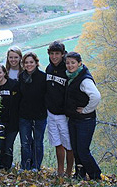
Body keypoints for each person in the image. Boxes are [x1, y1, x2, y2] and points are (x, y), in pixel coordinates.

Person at [65, 52, 101, 180]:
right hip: (74, 119)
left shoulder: (84, 79)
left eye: (73, 63)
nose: (70, 65)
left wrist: (86, 110)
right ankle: (80, 174)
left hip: (85, 121)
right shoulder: (72, 76)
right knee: (76, 150)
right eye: (68, 63)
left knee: (83, 151)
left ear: (79, 63)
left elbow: (96, 96)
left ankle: (96, 176)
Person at [45, 41, 73, 177]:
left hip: (64, 114)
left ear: (63, 54)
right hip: (51, 112)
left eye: (57, 54)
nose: (54, 56)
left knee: (69, 144)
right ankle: (60, 170)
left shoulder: (67, 69)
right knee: (57, 143)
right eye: (52, 54)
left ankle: (69, 171)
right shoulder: (48, 68)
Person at [18, 52, 47, 172]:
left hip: (39, 116)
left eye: (31, 62)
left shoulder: (43, 77)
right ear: (23, 64)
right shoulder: (21, 77)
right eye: (26, 62)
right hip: (24, 116)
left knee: (38, 143)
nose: (29, 64)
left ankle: (36, 166)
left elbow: (47, 96)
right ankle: (25, 166)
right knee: (25, 143)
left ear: (36, 63)